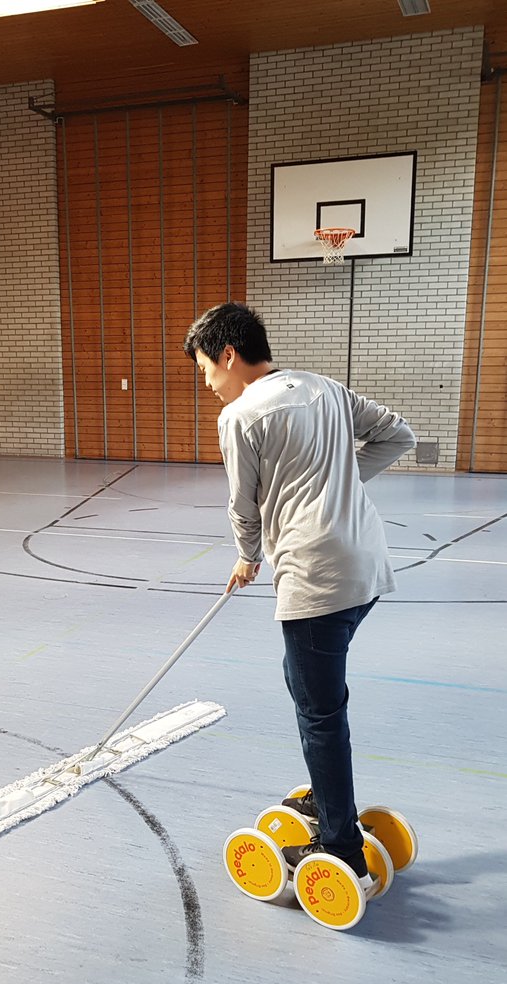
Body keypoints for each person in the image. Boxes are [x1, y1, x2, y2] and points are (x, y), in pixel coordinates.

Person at [183, 301, 416, 889]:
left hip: (317, 578)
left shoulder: (239, 416)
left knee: (319, 714)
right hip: (367, 569)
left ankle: (340, 846)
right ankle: (327, 794)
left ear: (228, 355)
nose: (207, 383)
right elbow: (399, 435)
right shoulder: (326, 388)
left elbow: (243, 505)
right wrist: (340, 481)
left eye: (205, 369)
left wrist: (247, 555)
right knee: (306, 680)